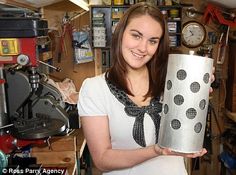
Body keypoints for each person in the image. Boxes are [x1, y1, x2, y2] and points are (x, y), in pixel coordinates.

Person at [78, 2, 209, 175]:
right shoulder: (94, 89)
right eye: (136, 36)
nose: (143, 48)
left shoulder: (172, 83)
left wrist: (200, 84)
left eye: (152, 41)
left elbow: (189, 121)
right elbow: (102, 159)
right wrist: (156, 150)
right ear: (121, 32)